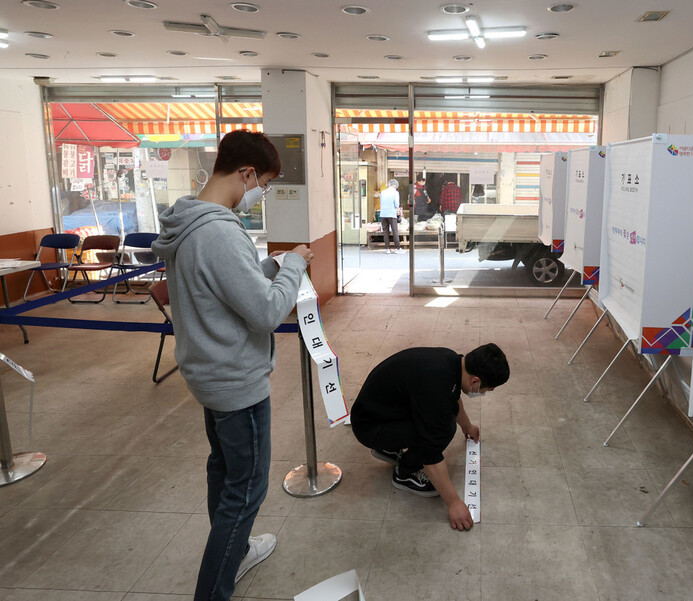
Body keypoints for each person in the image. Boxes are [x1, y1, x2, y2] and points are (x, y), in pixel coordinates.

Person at [152, 130, 313, 601]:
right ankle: (214, 589)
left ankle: (238, 551)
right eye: (261, 181)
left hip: (207, 372)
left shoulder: (189, 221)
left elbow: (222, 290)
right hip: (236, 381)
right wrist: (295, 266)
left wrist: (270, 268)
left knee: (223, 471)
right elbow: (265, 312)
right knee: (244, 492)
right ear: (245, 173)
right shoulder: (221, 231)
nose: (258, 192)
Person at [350, 343, 510, 531]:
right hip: (370, 426)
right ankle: (404, 474)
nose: (482, 393)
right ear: (475, 381)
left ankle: (389, 447)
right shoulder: (435, 384)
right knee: (443, 429)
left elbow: (452, 397)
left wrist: (467, 426)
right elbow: (431, 452)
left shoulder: (451, 362)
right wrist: (454, 503)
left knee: (442, 416)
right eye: (486, 390)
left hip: (377, 411)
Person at [379, 179, 404, 253]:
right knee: (394, 231)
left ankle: (387, 249)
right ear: (395, 185)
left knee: (385, 232)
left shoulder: (383, 192)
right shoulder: (395, 193)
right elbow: (397, 204)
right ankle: (397, 248)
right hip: (392, 214)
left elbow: (381, 201)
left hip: (383, 214)